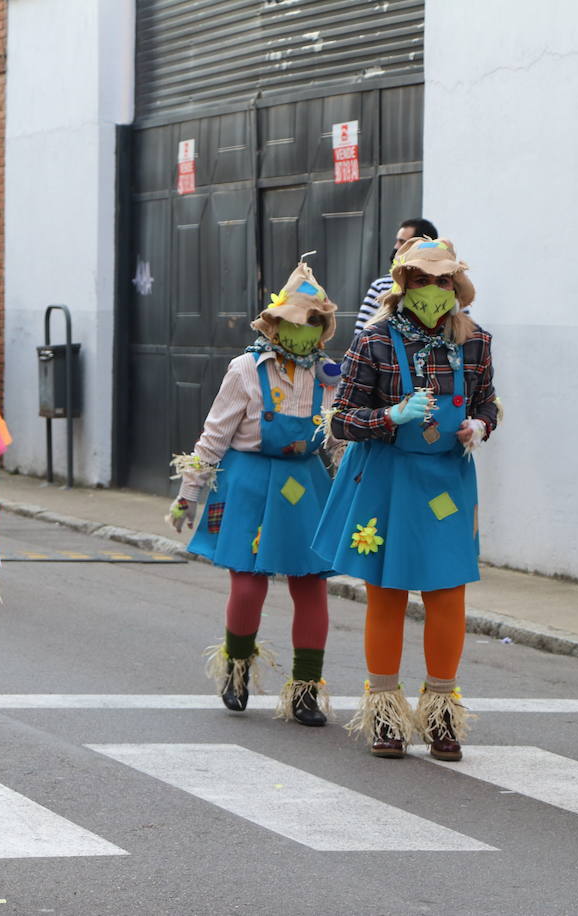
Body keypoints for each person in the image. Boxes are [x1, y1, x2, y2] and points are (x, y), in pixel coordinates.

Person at [311, 237, 498, 761]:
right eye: (422, 280)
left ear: (456, 287)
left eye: (443, 281)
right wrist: (390, 417)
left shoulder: (476, 342)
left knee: (447, 596)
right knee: (386, 594)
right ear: (404, 285)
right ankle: (386, 716)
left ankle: (441, 716)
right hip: (386, 476)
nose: (433, 290)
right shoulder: (372, 341)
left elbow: (488, 404)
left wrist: (479, 426)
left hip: (446, 484)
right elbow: (342, 419)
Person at [168, 258, 340, 726]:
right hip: (247, 482)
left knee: (311, 586)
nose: (302, 331)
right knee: (246, 586)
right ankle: (237, 669)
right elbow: (214, 435)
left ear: (323, 329)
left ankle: (306, 689)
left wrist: (354, 490)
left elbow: (339, 440)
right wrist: (190, 492)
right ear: (276, 324)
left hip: (304, 483)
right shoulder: (245, 369)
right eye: (293, 322)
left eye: (313, 324)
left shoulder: (327, 376)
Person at [353, 218, 439, 337]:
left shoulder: (448, 289)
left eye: (402, 242)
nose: (396, 247)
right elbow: (361, 335)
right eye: (397, 241)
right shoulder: (381, 286)